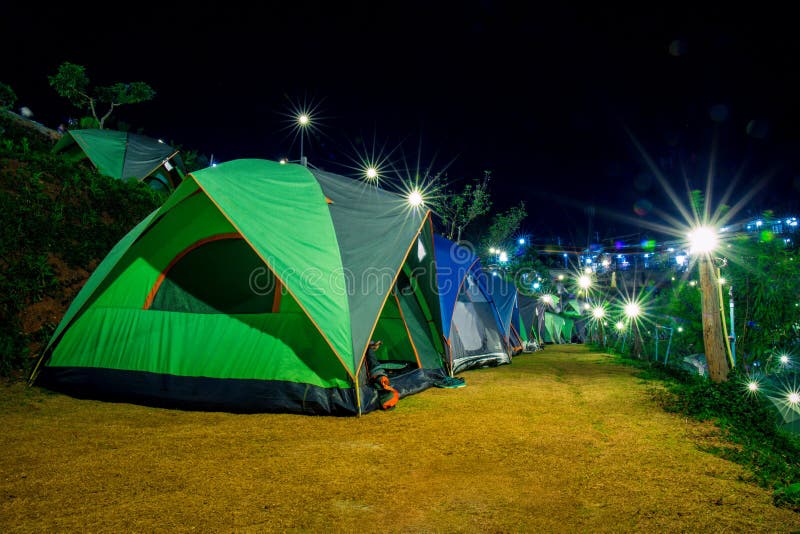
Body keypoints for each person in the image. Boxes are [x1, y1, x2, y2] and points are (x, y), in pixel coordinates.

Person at [365, 340, 398, 410]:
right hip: (377, 371)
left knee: (372, 358)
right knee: (372, 359)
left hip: (376, 371)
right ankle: (371, 346)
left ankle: (371, 346)